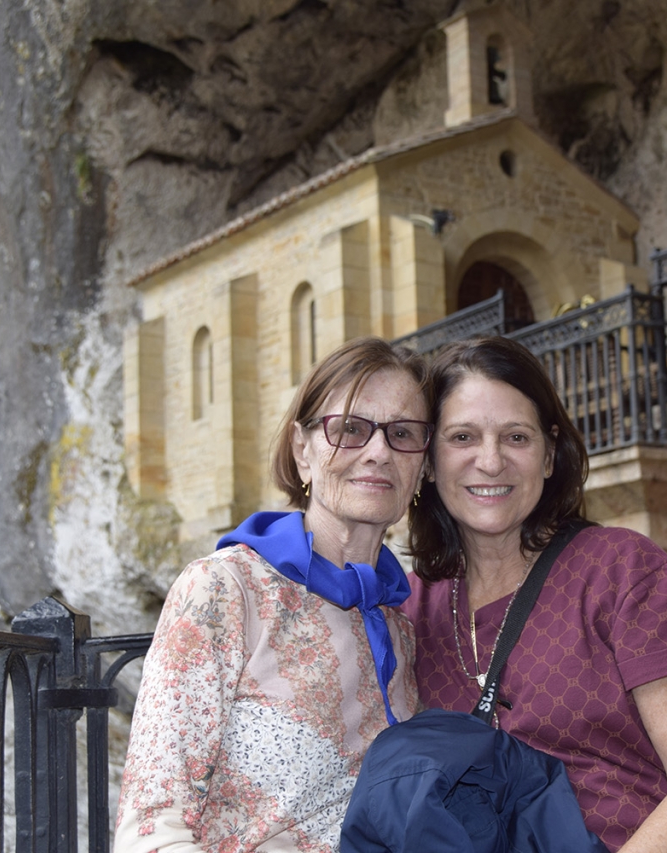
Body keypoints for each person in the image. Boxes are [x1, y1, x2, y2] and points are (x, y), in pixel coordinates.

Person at [405, 336, 667, 853]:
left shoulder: (622, 571)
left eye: (516, 437)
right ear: (428, 461)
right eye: (463, 437)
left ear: (549, 454)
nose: (490, 461)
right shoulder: (411, 611)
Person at [114, 337, 430, 853]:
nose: (379, 452)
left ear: (421, 466)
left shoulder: (401, 625)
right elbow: (150, 827)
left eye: (402, 434)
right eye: (350, 429)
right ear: (303, 450)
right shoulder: (225, 591)